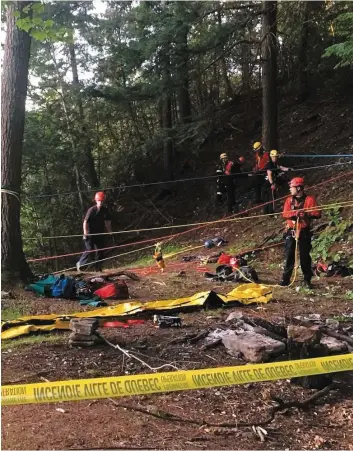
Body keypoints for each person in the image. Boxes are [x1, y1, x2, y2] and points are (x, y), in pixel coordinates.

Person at [279, 177, 321, 288]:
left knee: (304, 256)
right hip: (291, 230)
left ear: (298, 188)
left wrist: (306, 214)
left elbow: (317, 213)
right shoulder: (289, 200)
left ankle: (307, 279)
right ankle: (285, 279)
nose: (290, 189)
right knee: (289, 255)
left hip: (303, 231)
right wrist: (294, 214)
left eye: (291, 187)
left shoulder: (309, 200)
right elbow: (284, 214)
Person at [76, 191, 112, 272]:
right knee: (89, 249)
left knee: (101, 251)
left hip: (99, 233)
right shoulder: (92, 210)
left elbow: (107, 222)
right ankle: (80, 264)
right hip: (90, 234)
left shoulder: (105, 210)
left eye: (102, 201)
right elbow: (85, 222)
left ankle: (98, 268)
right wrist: (85, 233)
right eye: (99, 200)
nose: (101, 202)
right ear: (96, 200)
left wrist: (110, 232)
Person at [263, 149, 290, 214]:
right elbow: (269, 174)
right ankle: (271, 212)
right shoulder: (270, 164)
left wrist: (288, 169)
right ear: (271, 157)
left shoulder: (274, 164)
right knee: (271, 198)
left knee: (268, 198)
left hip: (268, 183)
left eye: (276, 156)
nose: (275, 158)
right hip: (268, 183)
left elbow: (280, 167)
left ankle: (267, 212)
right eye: (274, 156)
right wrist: (272, 184)